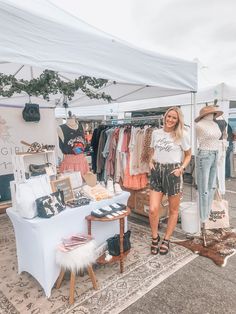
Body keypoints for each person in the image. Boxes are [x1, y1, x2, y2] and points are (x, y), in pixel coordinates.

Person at [149, 107, 191, 255]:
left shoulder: (182, 135)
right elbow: (152, 151)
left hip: (173, 172)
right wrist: (150, 161)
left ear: (178, 120)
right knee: (153, 209)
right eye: (169, 116)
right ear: (165, 116)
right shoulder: (156, 133)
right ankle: (155, 237)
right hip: (157, 171)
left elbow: (188, 155)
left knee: (173, 210)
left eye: (174, 118)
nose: (171, 120)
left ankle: (166, 239)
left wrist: (181, 169)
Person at [194, 105, 223, 246]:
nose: (214, 114)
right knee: (203, 189)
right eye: (212, 112)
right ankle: (203, 221)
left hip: (215, 154)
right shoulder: (200, 125)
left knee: (211, 187)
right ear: (207, 114)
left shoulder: (215, 124)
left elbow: (217, 139)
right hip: (204, 155)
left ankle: (206, 218)